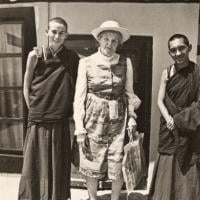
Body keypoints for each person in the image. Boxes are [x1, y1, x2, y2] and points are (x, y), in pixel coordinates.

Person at [73, 20, 141, 200]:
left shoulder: (126, 63)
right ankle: (93, 198)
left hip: (118, 119)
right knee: (91, 161)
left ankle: (115, 198)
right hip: (93, 118)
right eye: (106, 39)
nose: (109, 44)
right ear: (99, 40)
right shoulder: (86, 63)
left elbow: (129, 93)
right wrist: (79, 127)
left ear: (119, 43)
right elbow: (79, 98)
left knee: (118, 161)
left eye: (114, 41)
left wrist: (132, 117)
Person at [18, 17, 79, 200]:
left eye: (61, 33)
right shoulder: (35, 55)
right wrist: (34, 111)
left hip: (60, 118)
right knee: (34, 164)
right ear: (46, 32)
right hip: (38, 118)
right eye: (53, 31)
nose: (57, 36)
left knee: (57, 164)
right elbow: (26, 86)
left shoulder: (72, 58)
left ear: (66, 35)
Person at [149, 34, 200, 200]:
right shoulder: (167, 72)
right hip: (169, 128)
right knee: (167, 163)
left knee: (188, 165)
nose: (178, 53)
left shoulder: (198, 72)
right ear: (169, 52)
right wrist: (169, 119)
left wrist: (178, 120)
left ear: (189, 48)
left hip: (189, 127)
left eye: (181, 48)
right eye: (173, 50)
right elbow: (160, 100)